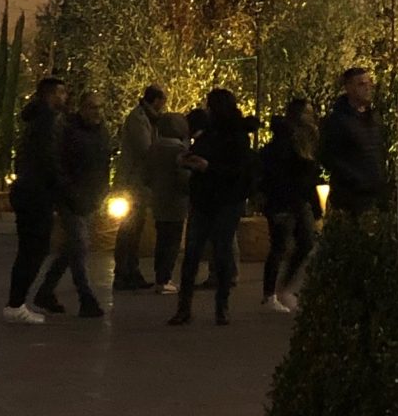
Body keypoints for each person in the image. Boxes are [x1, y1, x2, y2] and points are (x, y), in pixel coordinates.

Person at [169, 88, 253, 327]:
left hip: (226, 200)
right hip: (204, 198)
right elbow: (199, 152)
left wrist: (208, 167)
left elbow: (238, 170)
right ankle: (185, 307)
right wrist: (189, 160)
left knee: (221, 251)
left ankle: (221, 307)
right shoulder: (210, 133)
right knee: (193, 253)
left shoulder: (235, 136)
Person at [38, 92, 112, 319]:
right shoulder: (69, 131)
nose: (97, 112)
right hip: (70, 198)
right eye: (92, 107)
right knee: (79, 245)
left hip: (89, 197)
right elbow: (58, 164)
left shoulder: (101, 132)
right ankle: (86, 297)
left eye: (99, 107)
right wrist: (69, 191)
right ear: (81, 108)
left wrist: (102, 192)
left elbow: (103, 165)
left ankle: (45, 291)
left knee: (72, 247)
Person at [5, 76, 67, 325]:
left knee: (29, 250)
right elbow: (49, 159)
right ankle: (15, 304)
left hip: (27, 191)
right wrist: (61, 188)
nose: (65, 98)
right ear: (50, 95)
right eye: (61, 93)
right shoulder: (47, 121)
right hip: (37, 194)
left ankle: (16, 302)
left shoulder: (35, 120)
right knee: (34, 250)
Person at [115, 85, 187, 291]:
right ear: (156, 100)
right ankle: (124, 272)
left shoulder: (149, 119)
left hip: (141, 181)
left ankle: (131, 271)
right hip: (133, 181)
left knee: (134, 229)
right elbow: (144, 149)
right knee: (129, 228)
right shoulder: (139, 119)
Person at [259, 97, 321, 313]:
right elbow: (280, 173)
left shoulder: (306, 139)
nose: (311, 117)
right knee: (279, 247)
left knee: (305, 242)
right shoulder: (286, 141)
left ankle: (283, 289)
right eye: (307, 112)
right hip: (284, 200)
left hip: (298, 199)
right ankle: (271, 294)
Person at [320, 66, 383, 217]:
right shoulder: (338, 121)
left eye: (369, 83)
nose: (368, 88)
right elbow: (327, 157)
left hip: (373, 196)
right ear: (348, 88)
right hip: (350, 199)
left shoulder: (374, 118)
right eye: (361, 84)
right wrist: (354, 179)